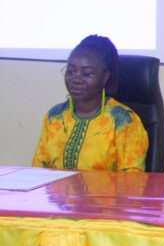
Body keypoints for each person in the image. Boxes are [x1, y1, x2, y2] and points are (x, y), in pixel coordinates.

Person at [32, 35, 149, 172]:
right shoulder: (54, 117)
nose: (76, 79)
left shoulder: (123, 121)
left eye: (87, 74)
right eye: (71, 71)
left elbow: (132, 180)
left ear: (105, 77)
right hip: (58, 187)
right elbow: (37, 173)